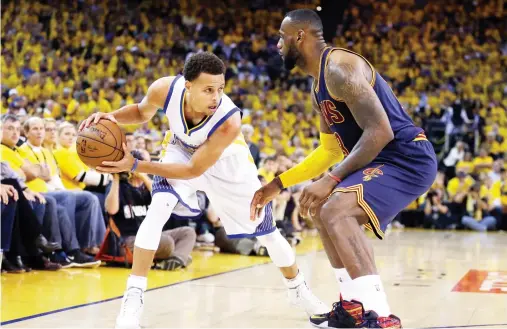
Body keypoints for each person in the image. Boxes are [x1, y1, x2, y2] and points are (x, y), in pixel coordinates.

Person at [80, 52, 328, 329]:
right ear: (187, 85)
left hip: (227, 164)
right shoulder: (164, 89)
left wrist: (137, 164)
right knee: (158, 209)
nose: (216, 96)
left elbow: (194, 171)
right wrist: (109, 117)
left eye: (220, 89)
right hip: (180, 150)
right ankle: (132, 299)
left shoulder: (229, 121)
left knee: (268, 233)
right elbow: (140, 112)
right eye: (208, 89)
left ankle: (299, 290)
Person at [250, 9, 437, 328]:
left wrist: (333, 178)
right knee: (320, 207)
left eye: (282, 37)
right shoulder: (317, 85)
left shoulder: (340, 68)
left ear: (300, 36)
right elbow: (329, 150)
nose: (278, 44)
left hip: (406, 156)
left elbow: (381, 131)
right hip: (378, 158)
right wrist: (277, 184)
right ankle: (353, 304)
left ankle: (379, 315)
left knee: (336, 208)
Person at [104, 150, 197, 270]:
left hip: (151, 237)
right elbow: (111, 210)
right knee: (167, 242)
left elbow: (163, 198)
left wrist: (144, 176)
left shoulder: (148, 187)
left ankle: (175, 259)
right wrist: (116, 179)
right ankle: (176, 256)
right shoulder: (118, 187)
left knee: (188, 232)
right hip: (129, 240)